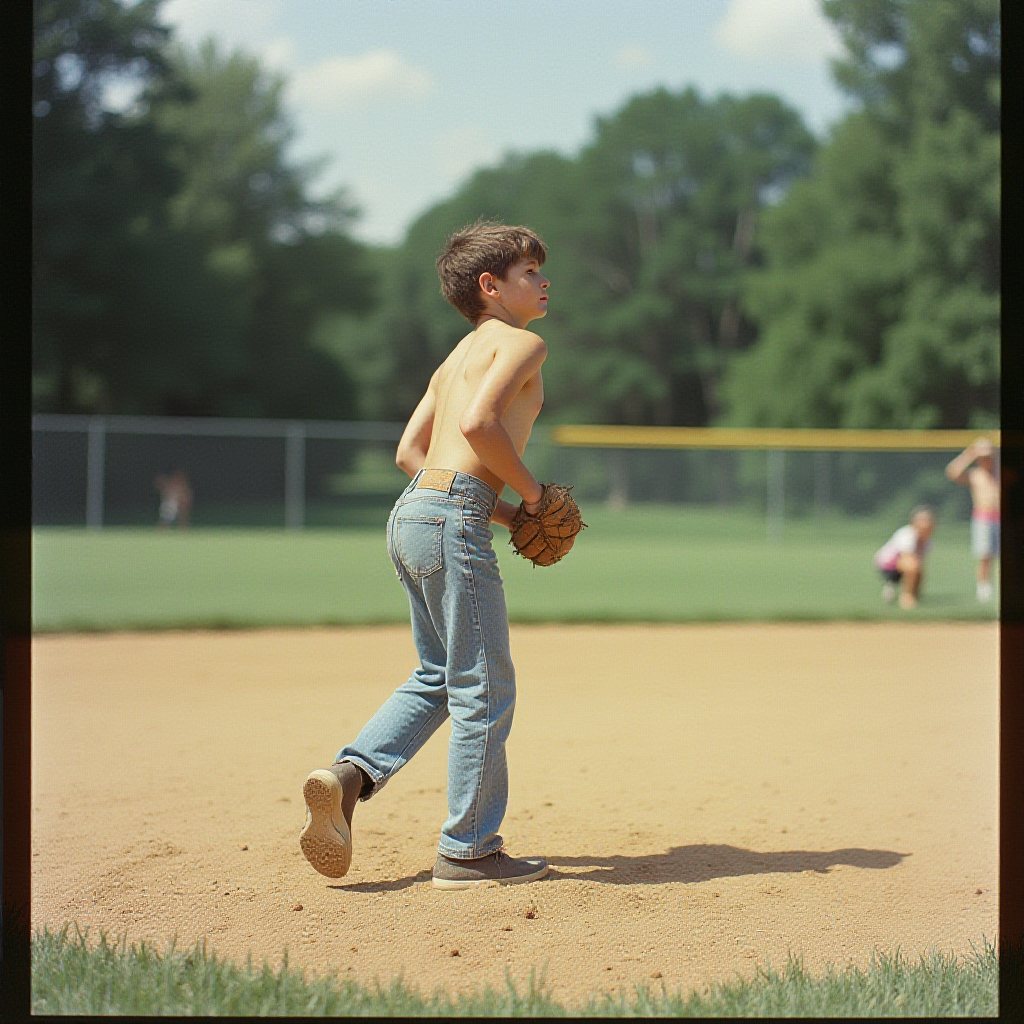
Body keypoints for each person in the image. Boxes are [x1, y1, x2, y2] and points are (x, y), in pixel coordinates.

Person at [299, 222, 553, 889]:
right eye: (531, 270)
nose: (544, 280)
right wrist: (532, 496)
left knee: (439, 675)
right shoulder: (524, 343)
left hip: (414, 512)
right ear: (490, 285)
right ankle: (469, 850)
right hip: (451, 518)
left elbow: (410, 453)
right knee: (484, 688)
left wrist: (501, 510)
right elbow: (479, 427)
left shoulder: (452, 360)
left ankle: (349, 777)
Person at [945, 438, 1000, 602]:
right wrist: (969, 454)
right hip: (983, 519)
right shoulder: (975, 474)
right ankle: (984, 588)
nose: (986, 460)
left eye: (988, 456)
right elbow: (952, 472)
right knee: (984, 556)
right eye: (982, 457)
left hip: (1002, 519)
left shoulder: (1000, 473)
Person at [874, 506, 935, 610]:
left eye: (929, 520)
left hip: (903, 566)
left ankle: (910, 593)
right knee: (912, 566)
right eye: (923, 520)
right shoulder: (907, 535)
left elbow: (920, 564)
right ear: (914, 522)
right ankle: (905, 596)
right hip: (887, 566)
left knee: (919, 569)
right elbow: (908, 560)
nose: (926, 524)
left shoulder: (927, 542)